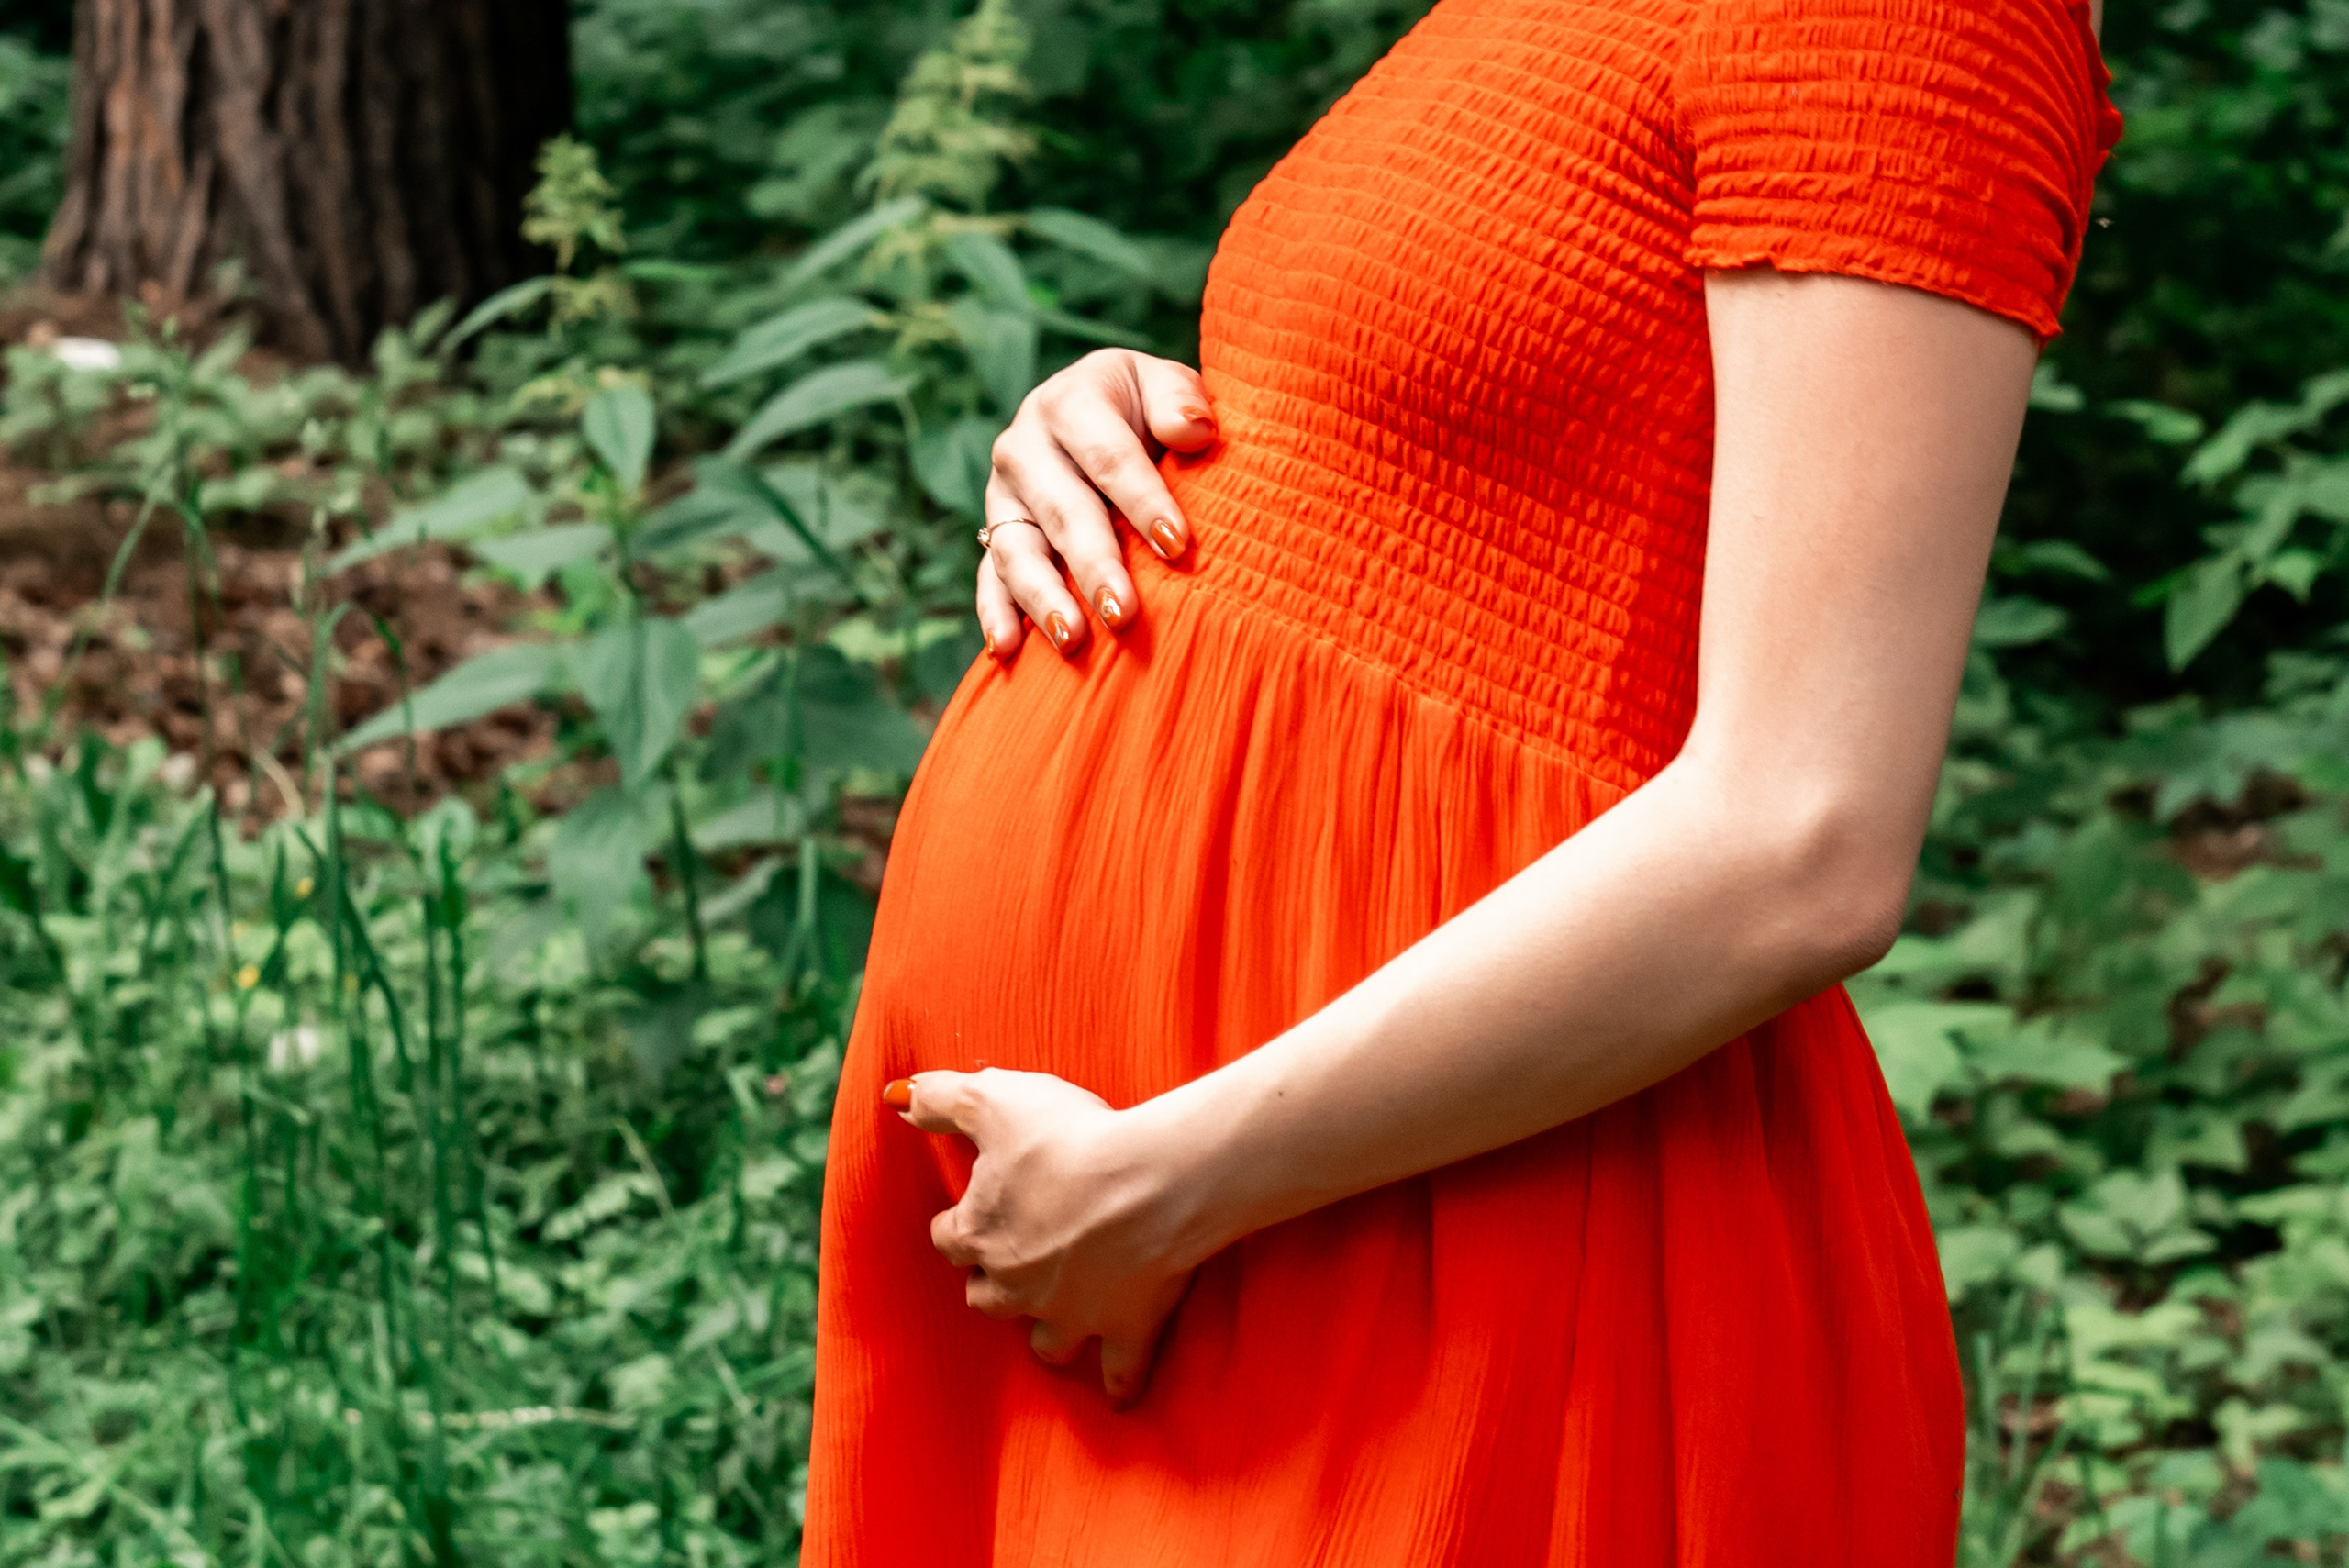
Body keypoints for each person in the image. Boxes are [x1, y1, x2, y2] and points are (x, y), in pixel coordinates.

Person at [806, 0, 2121, 1561]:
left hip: (1426, 1246)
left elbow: (1805, 832)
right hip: (1168, 1245)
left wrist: (1164, 1183)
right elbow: (1460, 452)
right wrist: (1124, 425)